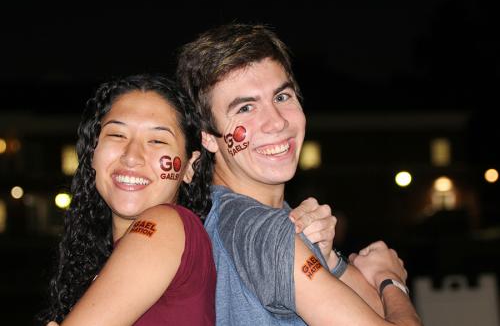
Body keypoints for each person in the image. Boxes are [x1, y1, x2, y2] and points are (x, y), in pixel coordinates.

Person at [176, 23, 422, 325]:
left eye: (282, 97)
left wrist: (330, 259)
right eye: (245, 108)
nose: (276, 122)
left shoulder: (235, 219)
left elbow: (369, 310)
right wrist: (391, 280)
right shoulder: (262, 231)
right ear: (208, 137)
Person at [38, 74, 216, 325]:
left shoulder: (166, 223)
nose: (132, 156)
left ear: (190, 167)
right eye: (117, 135)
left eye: (157, 140)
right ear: (92, 154)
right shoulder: (109, 263)